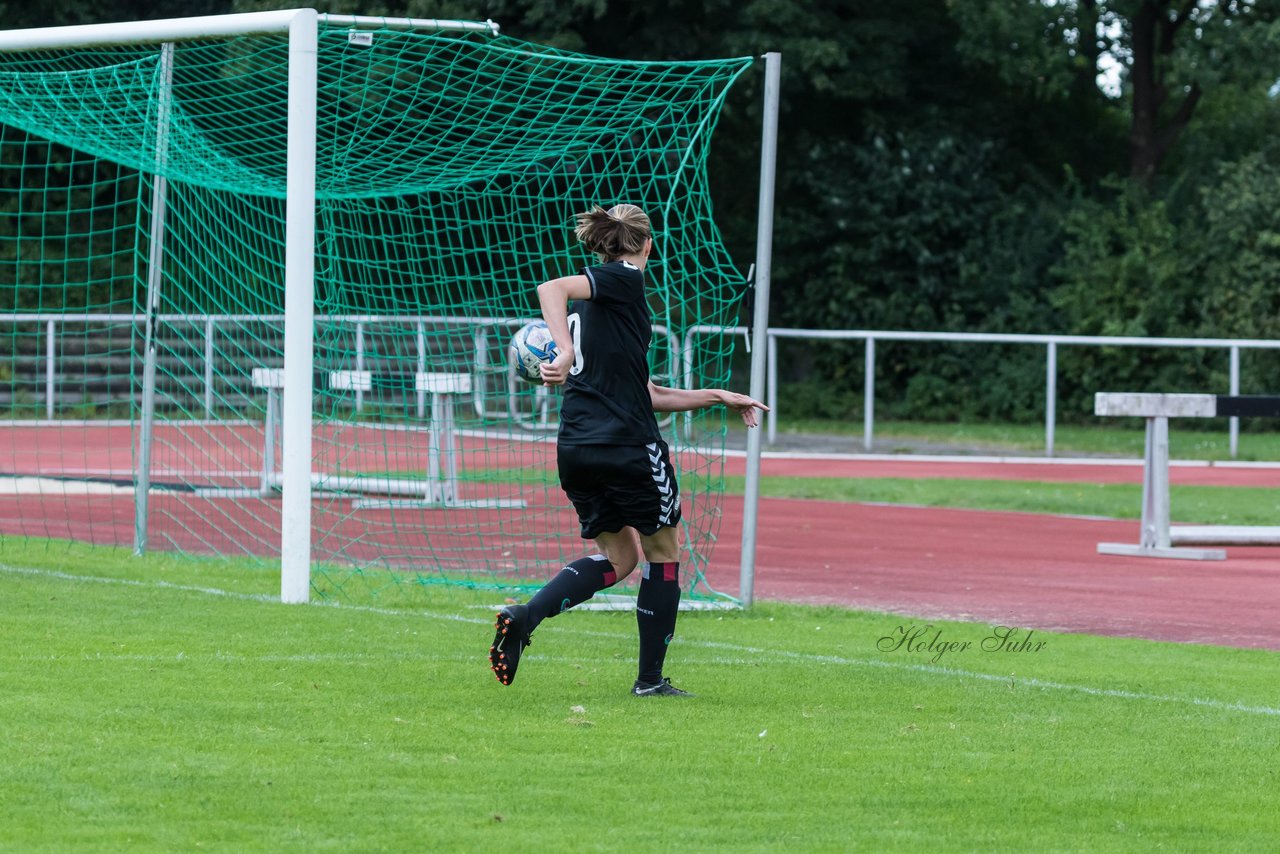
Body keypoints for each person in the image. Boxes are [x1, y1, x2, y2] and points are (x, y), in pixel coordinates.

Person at [488, 203, 767, 697]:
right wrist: (564, 348)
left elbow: (651, 393)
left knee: (618, 560)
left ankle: (525, 617)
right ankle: (649, 682)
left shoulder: (599, 309)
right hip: (626, 446)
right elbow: (550, 288)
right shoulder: (625, 280)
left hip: (576, 447)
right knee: (663, 554)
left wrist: (719, 396)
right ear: (647, 244)